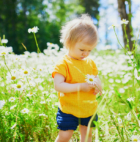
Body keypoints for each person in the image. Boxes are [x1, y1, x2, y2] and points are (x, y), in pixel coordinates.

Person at [52, 14, 102, 142]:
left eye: (89, 50)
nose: (85, 54)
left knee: (87, 137)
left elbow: (96, 78)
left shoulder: (90, 63)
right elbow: (58, 85)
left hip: (88, 108)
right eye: (82, 49)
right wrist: (81, 87)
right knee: (64, 136)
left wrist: (99, 86)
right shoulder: (63, 63)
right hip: (69, 109)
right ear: (69, 42)